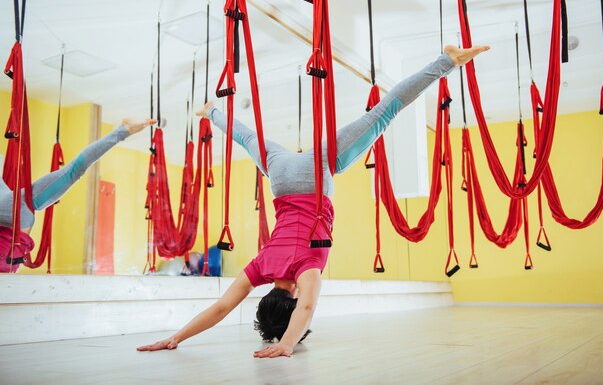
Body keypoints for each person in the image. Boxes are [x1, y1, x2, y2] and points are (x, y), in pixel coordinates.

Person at [137, 45, 490, 358]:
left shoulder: (309, 270)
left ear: (288, 302)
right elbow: (221, 307)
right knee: (246, 137)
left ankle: (447, 62)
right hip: (281, 178)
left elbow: (306, 306)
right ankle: (212, 111)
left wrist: (287, 343)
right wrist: (175, 338)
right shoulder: (260, 266)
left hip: (316, 174)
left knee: (382, 115)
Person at [0, 118, 156, 273]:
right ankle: (123, 130)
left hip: (12, 212)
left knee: (73, 172)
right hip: (12, 224)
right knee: (73, 172)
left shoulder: (17, 207)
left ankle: (123, 130)